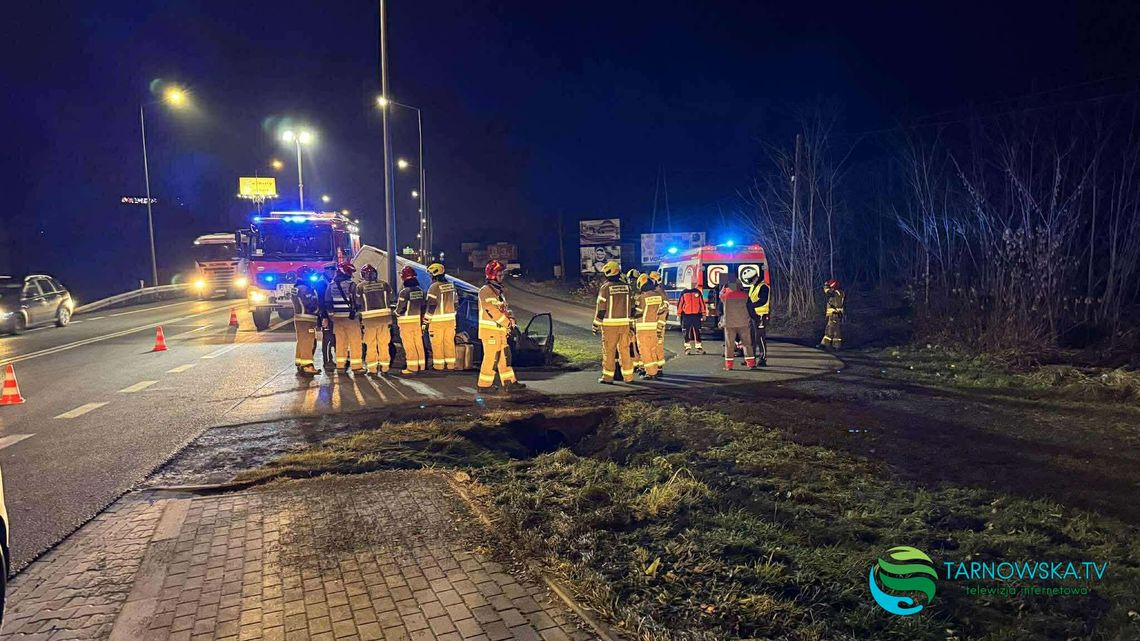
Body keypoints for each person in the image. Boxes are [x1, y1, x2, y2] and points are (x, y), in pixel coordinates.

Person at [477, 260, 523, 391]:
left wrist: (512, 318)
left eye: (502, 274)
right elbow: (491, 311)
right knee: (492, 358)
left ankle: (509, 382)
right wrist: (507, 323)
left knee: (505, 356)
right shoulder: (485, 291)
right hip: (490, 331)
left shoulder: (498, 292)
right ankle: (484, 385)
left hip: (500, 331)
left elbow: (504, 310)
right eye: (499, 274)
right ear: (492, 275)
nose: (502, 277)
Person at [593, 260, 635, 384]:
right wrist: (631, 324)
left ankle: (607, 377)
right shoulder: (627, 287)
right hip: (625, 325)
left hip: (609, 325)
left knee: (609, 351)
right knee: (625, 350)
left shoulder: (605, 288)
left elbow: (601, 309)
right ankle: (628, 377)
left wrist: (596, 324)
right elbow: (632, 307)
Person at [324, 261, 364, 374]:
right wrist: (357, 312)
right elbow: (357, 302)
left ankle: (340, 366)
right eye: (351, 272)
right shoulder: (352, 285)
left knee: (340, 342)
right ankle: (356, 367)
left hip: (337, 319)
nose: (351, 274)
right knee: (355, 342)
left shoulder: (331, 285)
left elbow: (327, 301)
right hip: (351, 319)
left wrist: (331, 316)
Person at [357, 264, 394, 375]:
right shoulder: (385, 284)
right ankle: (385, 368)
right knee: (384, 344)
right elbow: (391, 299)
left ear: (363, 275)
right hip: (384, 319)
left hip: (369, 321)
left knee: (371, 344)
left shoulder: (360, 287)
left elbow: (358, 303)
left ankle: (372, 369)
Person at [633, 273, 668, 379]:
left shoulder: (642, 297)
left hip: (643, 328)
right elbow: (663, 312)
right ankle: (656, 370)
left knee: (645, 351)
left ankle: (651, 373)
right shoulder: (658, 296)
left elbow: (637, 313)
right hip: (655, 327)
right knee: (653, 349)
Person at [424, 262, 458, 371]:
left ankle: (438, 366)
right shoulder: (451, 285)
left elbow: (431, 305)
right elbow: (456, 303)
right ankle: (451, 365)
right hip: (451, 321)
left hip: (437, 321)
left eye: (430, 274)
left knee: (437, 344)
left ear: (435, 273)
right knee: (449, 343)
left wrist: (426, 321)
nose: (430, 276)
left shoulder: (434, 287)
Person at [395, 266, 427, 374]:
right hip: (417, 320)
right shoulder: (420, 291)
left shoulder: (404, 292)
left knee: (409, 344)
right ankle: (421, 366)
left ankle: (412, 367)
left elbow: (400, 308)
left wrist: (395, 313)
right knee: (418, 343)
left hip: (406, 322)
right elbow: (423, 306)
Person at [290, 266, 321, 375]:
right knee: (308, 342)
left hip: (299, 318)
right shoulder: (305, 289)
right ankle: (307, 366)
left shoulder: (296, 287)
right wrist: (319, 311)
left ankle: (299, 362)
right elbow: (311, 304)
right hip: (307, 318)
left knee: (302, 341)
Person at [720, 276, 756, 370]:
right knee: (747, 344)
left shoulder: (725, 295)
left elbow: (720, 296)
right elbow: (751, 309)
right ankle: (751, 364)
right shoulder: (745, 295)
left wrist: (724, 287)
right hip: (743, 323)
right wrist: (755, 318)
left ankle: (729, 366)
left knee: (729, 345)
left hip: (729, 324)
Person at [745, 267, 770, 367]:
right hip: (752, 315)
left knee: (760, 338)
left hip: (761, 316)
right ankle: (752, 358)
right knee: (751, 338)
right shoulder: (753, 286)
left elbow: (763, 301)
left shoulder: (763, 287)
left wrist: (751, 305)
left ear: (755, 277)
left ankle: (763, 358)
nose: (749, 282)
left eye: (750, 280)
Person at [316, 263, 338, 369]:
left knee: (332, 337)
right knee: (328, 339)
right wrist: (324, 317)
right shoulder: (321, 283)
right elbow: (321, 302)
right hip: (325, 315)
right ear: (327, 271)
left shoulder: (327, 281)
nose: (334, 273)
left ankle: (331, 360)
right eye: (332, 271)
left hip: (330, 314)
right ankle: (327, 361)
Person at [648, 271, 668, 374]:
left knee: (657, 345)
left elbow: (664, 310)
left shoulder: (659, 292)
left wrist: (660, 325)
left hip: (658, 324)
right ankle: (657, 367)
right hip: (655, 323)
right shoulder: (658, 291)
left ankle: (658, 368)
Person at [677, 282, 704, 354]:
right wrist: (679, 313)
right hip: (686, 315)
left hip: (696, 314)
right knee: (686, 331)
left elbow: (701, 303)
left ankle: (699, 347)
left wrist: (703, 313)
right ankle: (687, 347)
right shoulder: (684, 292)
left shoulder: (697, 292)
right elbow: (680, 303)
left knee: (697, 331)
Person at [820, 278, 845, 350]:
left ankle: (825, 344)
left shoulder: (837, 292)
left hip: (834, 314)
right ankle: (836, 346)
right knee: (836, 330)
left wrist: (825, 285)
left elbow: (828, 292)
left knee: (829, 329)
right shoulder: (838, 292)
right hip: (835, 314)